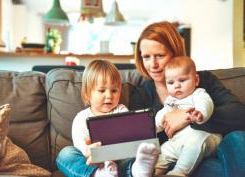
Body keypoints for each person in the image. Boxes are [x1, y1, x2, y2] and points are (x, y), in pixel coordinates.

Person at [130, 21, 245, 176]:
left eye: (160, 55)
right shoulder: (141, 94)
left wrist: (187, 116)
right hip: (174, 160)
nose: (153, 64)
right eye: (146, 57)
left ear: (175, 53)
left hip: (211, 149)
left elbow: (239, 113)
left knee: (237, 137)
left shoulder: (202, 80)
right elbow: (138, 140)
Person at [57, 59, 159, 177]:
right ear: (87, 94)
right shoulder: (81, 118)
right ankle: (99, 174)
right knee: (65, 154)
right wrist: (90, 152)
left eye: (114, 90)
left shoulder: (121, 110)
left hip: (119, 160)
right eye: (101, 90)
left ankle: (138, 170)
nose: (109, 96)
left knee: (137, 151)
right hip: (93, 163)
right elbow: (81, 149)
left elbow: (129, 138)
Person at [154, 56, 221, 176]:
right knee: (163, 151)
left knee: (194, 142)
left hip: (204, 137)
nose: (177, 86)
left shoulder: (198, 93)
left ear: (196, 80)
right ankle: (154, 172)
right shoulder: (170, 101)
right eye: (171, 82)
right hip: (177, 142)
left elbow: (206, 104)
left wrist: (200, 114)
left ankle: (178, 173)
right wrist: (154, 126)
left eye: (182, 80)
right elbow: (163, 115)